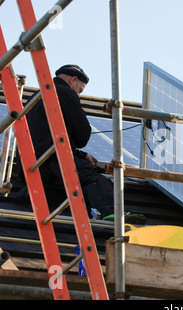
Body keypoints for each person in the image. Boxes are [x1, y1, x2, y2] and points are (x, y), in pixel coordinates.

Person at [23, 64, 115, 219]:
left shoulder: (35, 97)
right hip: (54, 162)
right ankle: (110, 214)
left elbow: (47, 137)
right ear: (73, 80)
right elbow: (81, 135)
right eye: (80, 90)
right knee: (93, 178)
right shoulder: (65, 92)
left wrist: (81, 155)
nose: (78, 95)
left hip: (31, 165)